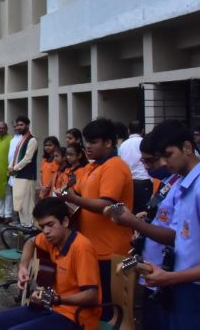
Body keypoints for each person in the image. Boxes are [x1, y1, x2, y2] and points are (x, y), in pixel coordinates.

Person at [130, 122, 200, 329]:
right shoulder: (182, 185)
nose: (163, 162)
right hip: (183, 288)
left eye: (168, 155)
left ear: (187, 148)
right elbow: (180, 238)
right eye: (160, 156)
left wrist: (172, 277)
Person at [105, 122, 184, 330]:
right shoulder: (167, 181)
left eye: (150, 161)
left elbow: (178, 235)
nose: (146, 166)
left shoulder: (192, 186)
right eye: (143, 161)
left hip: (168, 275)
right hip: (150, 271)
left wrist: (132, 221)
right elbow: (160, 214)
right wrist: (145, 218)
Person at [0, 197, 101, 330]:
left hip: (76, 318)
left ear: (65, 221)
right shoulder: (51, 239)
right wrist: (23, 267)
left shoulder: (82, 248)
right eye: (42, 226)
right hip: (51, 308)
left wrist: (54, 299)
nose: (45, 231)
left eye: (50, 225)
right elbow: (30, 242)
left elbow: (91, 296)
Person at [60, 118, 133, 321]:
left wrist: (74, 198)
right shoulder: (92, 168)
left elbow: (107, 206)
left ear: (108, 142)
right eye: (86, 142)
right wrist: (65, 198)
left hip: (110, 252)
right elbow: (76, 194)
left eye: (93, 142)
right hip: (91, 249)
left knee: (108, 312)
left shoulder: (114, 167)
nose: (88, 147)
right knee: (95, 309)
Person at [8, 116, 38, 226]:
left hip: (27, 176)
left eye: (21, 125)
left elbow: (27, 159)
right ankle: (23, 225)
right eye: (17, 125)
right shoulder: (21, 139)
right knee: (19, 202)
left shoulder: (32, 140)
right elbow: (15, 157)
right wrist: (10, 167)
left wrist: (14, 168)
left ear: (27, 125)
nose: (19, 127)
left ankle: (29, 226)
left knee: (28, 203)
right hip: (19, 176)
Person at [119, 120, 153, 214]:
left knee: (132, 210)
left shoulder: (122, 145)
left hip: (129, 182)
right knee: (147, 210)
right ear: (142, 130)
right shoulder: (144, 142)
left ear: (129, 130)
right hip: (144, 181)